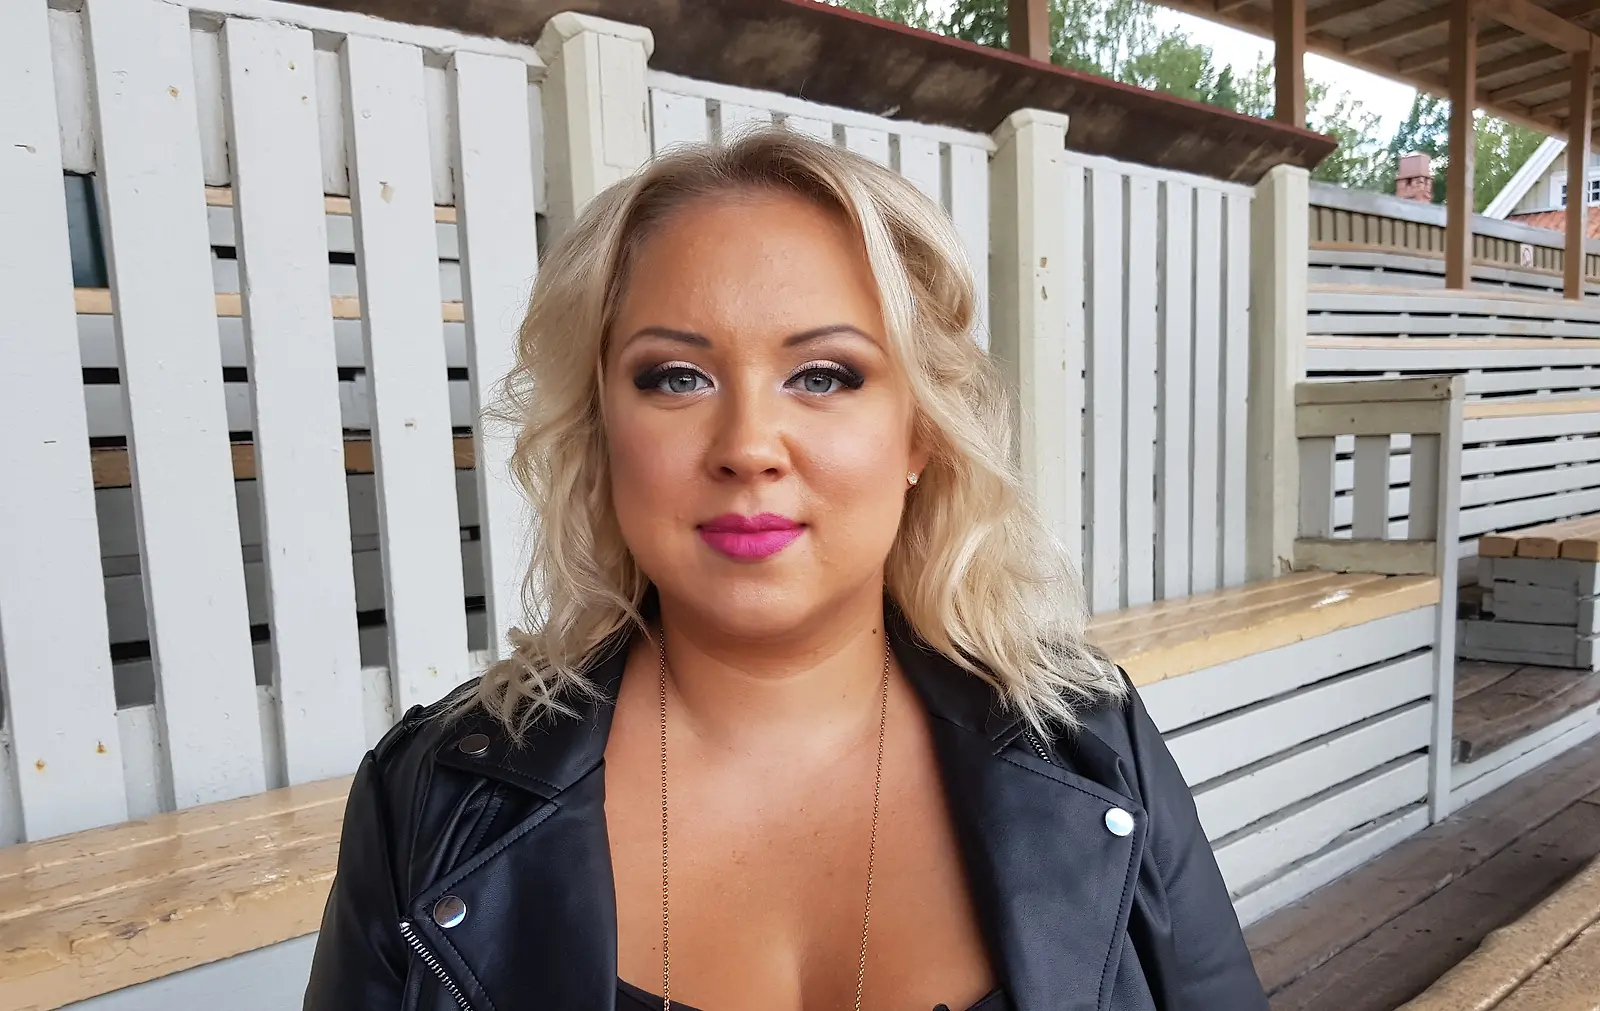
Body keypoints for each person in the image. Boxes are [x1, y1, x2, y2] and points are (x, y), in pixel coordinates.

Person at [302, 128, 1267, 1011]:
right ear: (600, 430)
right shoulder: (425, 798)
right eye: (677, 377)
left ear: (920, 430)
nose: (748, 446)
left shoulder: (1095, 747)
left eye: (824, 375)